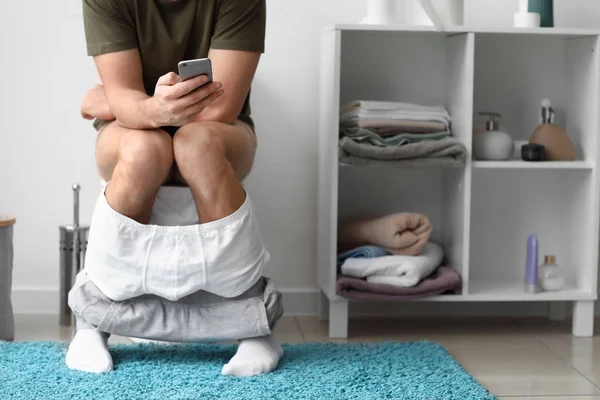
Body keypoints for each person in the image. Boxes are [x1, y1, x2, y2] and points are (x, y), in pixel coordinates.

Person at [65, 0, 282, 377]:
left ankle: (253, 327)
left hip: (219, 129)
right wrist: (140, 108)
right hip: (133, 132)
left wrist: (116, 102)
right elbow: (126, 98)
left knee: (195, 145)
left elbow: (219, 110)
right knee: (143, 149)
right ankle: (93, 323)